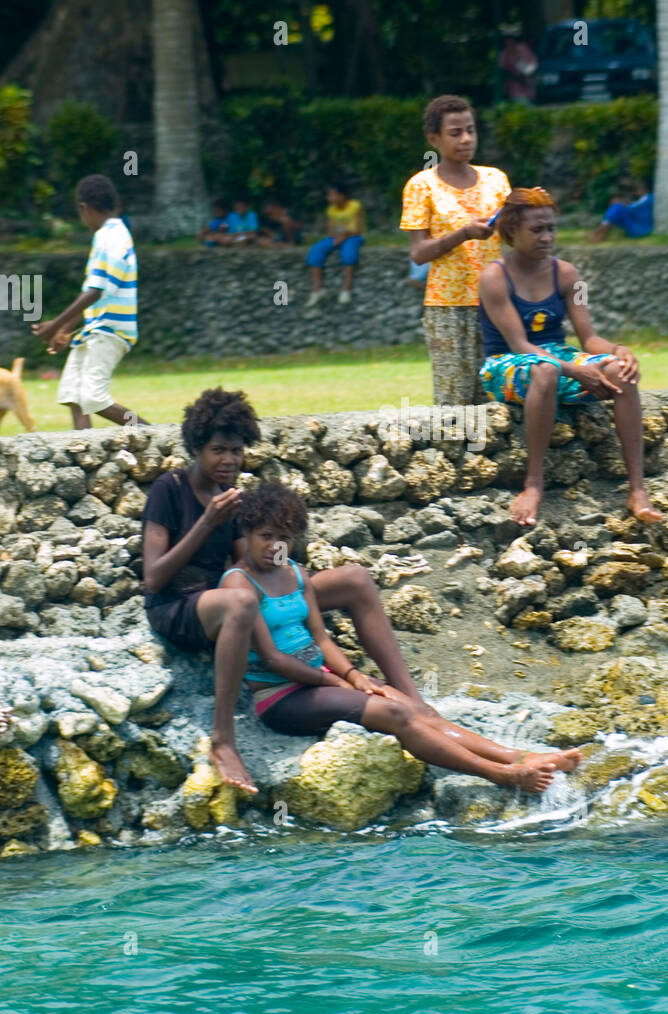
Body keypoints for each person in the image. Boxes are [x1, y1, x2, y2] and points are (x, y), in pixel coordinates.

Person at [142, 387, 431, 794]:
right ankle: (223, 739)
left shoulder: (232, 496)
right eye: (218, 451)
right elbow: (153, 578)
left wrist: (295, 581)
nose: (229, 461)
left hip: (231, 597)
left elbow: (255, 565)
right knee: (241, 600)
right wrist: (206, 524)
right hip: (181, 607)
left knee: (354, 579)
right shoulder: (169, 490)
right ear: (195, 448)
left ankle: (411, 695)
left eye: (237, 452)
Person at [220, 481, 581, 792]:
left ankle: (519, 755)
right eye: (265, 537)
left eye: (282, 538)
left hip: (323, 681)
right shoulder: (239, 583)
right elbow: (273, 659)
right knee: (396, 713)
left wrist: (353, 676)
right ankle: (503, 774)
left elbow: (321, 638)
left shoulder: (295, 574)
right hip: (280, 697)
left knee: (416, 707)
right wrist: (335, 683)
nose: (273, 547)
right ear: (248, 534)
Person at [478, 187, 663, 528]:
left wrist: (618, 351)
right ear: (512, 230)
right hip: (507, 364)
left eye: (551, 228)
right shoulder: (494, 277)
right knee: (546, 371)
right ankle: (534, 484)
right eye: (537, 230)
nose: (547, 237)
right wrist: (574, 372)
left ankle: (637, 489)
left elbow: (588, 338)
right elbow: (519, 345)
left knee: (620, 372)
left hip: (558, 357)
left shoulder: (567, 275)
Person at [401, 95, 510, 405]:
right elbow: (419, 253)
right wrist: (462, 233)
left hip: (499, 303)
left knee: (501, 397)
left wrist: (535, 207)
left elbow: (513, 235)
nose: (466, 139)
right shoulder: (421, 186)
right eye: (455, 133)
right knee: (455, 404)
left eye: (471, 130)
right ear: (433, 139)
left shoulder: (496, 180)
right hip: (448, 308)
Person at [32, 174, 146, 430]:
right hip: (95, 330)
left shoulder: (112, 237)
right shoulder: (108, 235)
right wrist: (64, 329)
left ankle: (157, 437)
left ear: (84, 208)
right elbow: (94, 295)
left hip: (111, 331)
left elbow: (95, 291)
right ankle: (87, 455)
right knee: (72, 394)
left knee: (93, 398)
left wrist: (54, 326)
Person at [305, 182, 365, 306]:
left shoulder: (355, 206)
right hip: (337, 237)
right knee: (316, 251)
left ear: (341, 195)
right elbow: (330, 229)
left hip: (353, 236)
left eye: (331, 195)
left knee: (349, 254)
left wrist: (344, 235)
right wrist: (337, 236)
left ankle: (346, 289)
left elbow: (358, 229)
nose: (329, 198)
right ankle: (317, 289)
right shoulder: (331, 210)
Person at [588, 180, 654, 243]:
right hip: (636, 226)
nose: (637, 190)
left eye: (638, 187)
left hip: (640, 229)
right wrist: (621, 203)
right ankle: (602, 231)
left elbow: (632, 209)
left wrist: (620, 203)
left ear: (644, 188)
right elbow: (633, 207)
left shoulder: (649, 198)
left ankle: (600, 231)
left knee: (617, 207)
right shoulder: (645, 198)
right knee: (616, 208)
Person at [498, 27, 538, 104]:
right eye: (507, 38)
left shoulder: (523, 49)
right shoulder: (504, 54)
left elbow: (533, 65)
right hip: (514, 89)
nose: (509, 41)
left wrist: (526, 71)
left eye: (511, 38)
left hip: (528, 86)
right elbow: (503, 70)